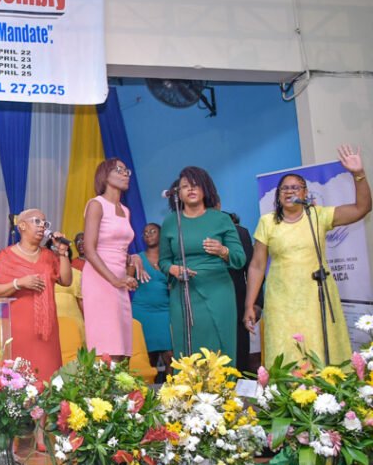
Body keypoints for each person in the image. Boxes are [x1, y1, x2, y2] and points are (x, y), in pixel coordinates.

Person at [245, 145, 371, 365]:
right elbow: (256, 265)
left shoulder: (318, 216)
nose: (289, 191)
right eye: (284, 188)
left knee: (319, 349)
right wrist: (249, 305)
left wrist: (358, 174)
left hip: (316, 297)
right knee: (286, 352)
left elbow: (362, 208)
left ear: (305, 193)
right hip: (281, 300)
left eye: (295, 187)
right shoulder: (267, 221)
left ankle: (325, 396)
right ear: (278, 194)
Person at [158, 166, 245, 367]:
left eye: (195, 184)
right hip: (184, 292)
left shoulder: (221, 219)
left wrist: (223, 251)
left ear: (205, 188)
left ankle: (222, 394)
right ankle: (190, 393)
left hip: (218, 291)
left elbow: (240, 258)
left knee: (219, 346)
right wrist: (172, 269)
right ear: (177, 193)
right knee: (188, 347)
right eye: (185, 186)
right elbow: (163, 261)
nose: (190, 189)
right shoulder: (172, 222)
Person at [0, 209, 71, 378]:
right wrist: (18, 283)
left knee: (49, 377)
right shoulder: (6, 256)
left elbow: (66, 280)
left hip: (47, 332)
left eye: (45, 223)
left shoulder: (49, 256)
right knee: (21, 380)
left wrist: (62, 253)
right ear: (22, 226)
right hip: (19, 330)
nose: (42, 227)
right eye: (37, 221)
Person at [81, 158, 146, 360]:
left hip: (119, 279)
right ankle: (103, 390)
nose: (125, 174)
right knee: (107, 343)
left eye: (127, 171)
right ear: (105, 175)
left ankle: (119, 389)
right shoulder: (96, 204)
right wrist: (114, 279)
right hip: (101, 278)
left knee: (122, 344)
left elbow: (115, 245)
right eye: (119, 170)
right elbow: (90, 250)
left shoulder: (125, 211)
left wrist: (130, 257)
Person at [131, 223, 173, 376]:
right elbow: (126, 279)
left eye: (153, 231)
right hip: (142, 311)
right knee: (147, 358)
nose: (148, 234)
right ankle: (147, 396)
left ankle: (170, 395)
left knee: (170, 356)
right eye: (145, 232)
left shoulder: (169, 259)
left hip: (165, 312)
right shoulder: (137, 259)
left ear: (161, 235)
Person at [225, 209, 260, 373]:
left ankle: (241, 393)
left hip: (237, 301)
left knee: (239, 353)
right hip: (203, 303)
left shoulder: (240, 233)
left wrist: (256, 303)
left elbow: (253, 269)